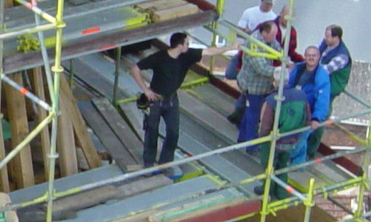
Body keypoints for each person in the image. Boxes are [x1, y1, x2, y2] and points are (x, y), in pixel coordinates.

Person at [130, 31, 228, 169]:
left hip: (171, 100)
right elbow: (135, 68)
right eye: (187, 43)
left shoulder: (186, 55)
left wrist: (230, 47)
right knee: (151, 131)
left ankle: (165, 163)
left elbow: (209, 52)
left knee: (173, 132)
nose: (189, 45)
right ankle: (149, 162)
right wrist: (146, 90)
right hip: (155, 101)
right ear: (179, 46)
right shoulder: (159, 58)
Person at [236, 21, 282, 151]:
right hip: (254, 86)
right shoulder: (253, 45)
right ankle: (252, 146)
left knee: (250, 112)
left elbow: (277, 47)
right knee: (254, 115)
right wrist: (280, 71)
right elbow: (262, 68)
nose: (275, 38)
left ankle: (243, 138)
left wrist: (284, 57)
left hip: (261, 85)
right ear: (264, 33)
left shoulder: (267, 40)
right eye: (273, 35)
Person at [282, 44, 330, 164]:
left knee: (301, 138)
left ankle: (295, 163)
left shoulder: (321, 76)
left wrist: (316, 118)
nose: (311, 58)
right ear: (305, 56)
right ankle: (298, 164)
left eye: (314, 55)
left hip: (309, 114)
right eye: (308, 55)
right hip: (293, 110)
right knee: (294, 138)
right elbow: (288, 85)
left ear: (318, 57)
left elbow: (323, 100)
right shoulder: (298, 68)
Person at [320, 24, 351, 101]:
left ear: (336, 38)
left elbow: (325, 70)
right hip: (322, 82)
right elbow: (314, 53)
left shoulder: (342, 56)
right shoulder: (326, 44)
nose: (325, 38)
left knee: (323, 107)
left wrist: (309, 66)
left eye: (328, 36)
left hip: (332, 86)